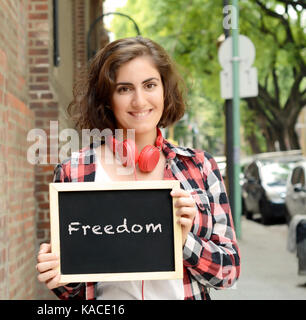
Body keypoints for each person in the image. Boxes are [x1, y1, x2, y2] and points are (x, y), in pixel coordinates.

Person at [36, 36, 240, 300]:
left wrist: (184, 240)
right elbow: (71, 290)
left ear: (165, 90)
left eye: (150, 85)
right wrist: (57, 274)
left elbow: (229, 274)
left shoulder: (200, 167)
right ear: (107, 98)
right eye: (124, 89)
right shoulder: (73, 172)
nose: (139, 100)